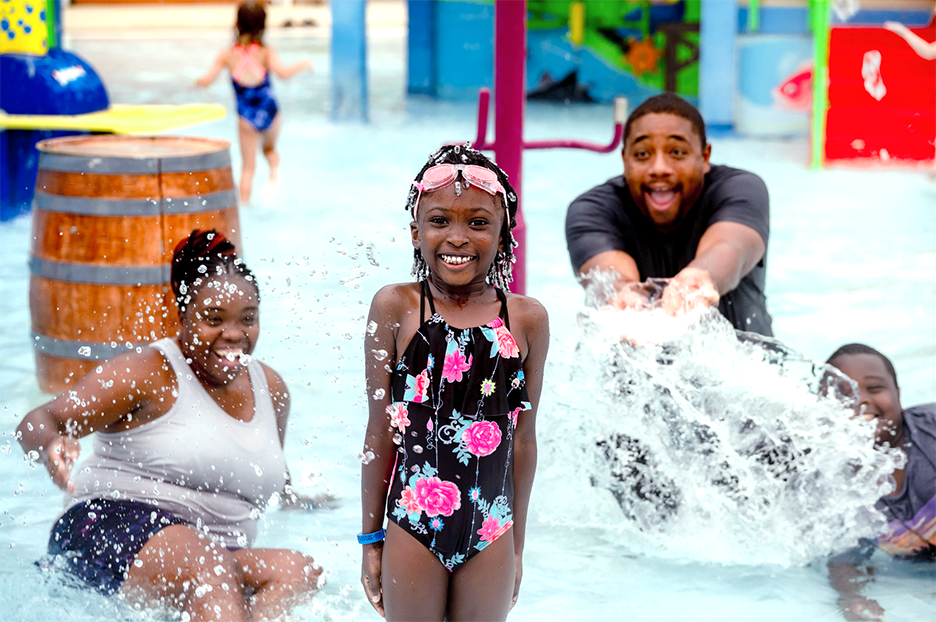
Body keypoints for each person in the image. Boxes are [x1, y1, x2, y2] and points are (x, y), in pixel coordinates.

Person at [17, 230, 321, 622]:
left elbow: (271, 476)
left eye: (248, 320)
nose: (234, 335)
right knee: (210, 570)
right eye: (214, 319)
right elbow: (37, 421)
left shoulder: (272, 389)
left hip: (212, 551)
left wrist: (309, 502)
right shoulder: (148, 372)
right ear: (181, 316)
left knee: (299, 571)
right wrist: (51, 445)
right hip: (111, 526)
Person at [359, 144, 550, 622]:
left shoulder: (525, 319)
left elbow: (523, 440)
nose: (458, 238)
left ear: (504, 234)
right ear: (415, 232)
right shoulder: (396, 307)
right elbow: (380, 432)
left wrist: (518, 545)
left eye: (479, 223)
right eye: (440, 220)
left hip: (491, 530)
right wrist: (370, 541)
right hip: (412, 525)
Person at [565, 93, 773, 336]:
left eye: (677, 152)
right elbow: (608, 277)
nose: (659, 168)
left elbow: (730, 247)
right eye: (642, 154)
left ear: (704, 157)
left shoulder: (741, 190)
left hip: (749, 368)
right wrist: (624, 296)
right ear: (624, 160)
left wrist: (699, 281)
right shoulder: (593, 209)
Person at [825, 343, 936, 621]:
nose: (861, 401)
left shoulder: (931, 429)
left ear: (898, 395)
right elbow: (845, 559)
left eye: (874, 389)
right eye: (844, 394)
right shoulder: (836, 484)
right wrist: (853, 598)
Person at [196, 1, 312, 205]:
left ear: (237, 23)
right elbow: (283, 74)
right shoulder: (266, 52)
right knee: (269, 150)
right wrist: (302, 64)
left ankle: (245, 207)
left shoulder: (227, 55)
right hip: (270, 111)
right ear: (263, 25)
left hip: (246, 116)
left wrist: (196, 83)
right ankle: (274, 171)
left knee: (248, 169)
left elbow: (207, 80)